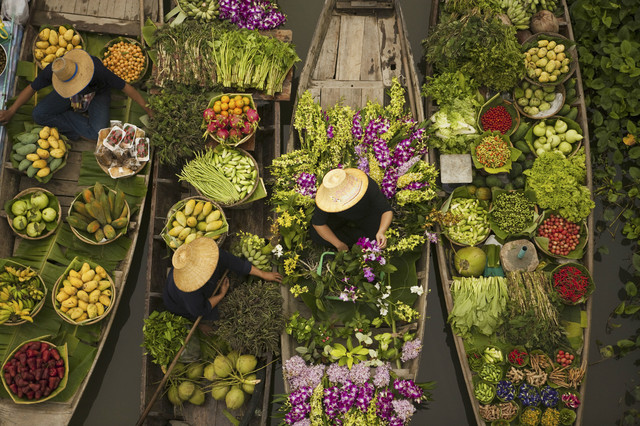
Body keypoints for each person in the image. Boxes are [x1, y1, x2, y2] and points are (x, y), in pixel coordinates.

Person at [0, 48, 153, 140]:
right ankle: (72, 119)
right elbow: (32, 88)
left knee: (96, 134)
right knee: (38, 115)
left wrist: (147, 109)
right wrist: (12, 111)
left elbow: (126, 88)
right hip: (66, 94)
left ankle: (75, 118)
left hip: (98, 92)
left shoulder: (97, 71)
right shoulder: (55, 70)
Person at [163, 237, 282, 322]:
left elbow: (233, 262)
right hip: (182, 305)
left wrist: (263, 274)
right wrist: (221, 294)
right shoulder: (188, 291)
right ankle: (201, 324)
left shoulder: (207, 253)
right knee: (220, 313)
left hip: (200, 293)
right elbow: (200, 309)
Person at [310, 167, 393, 251]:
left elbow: (386, 210)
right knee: (316, 235)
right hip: (338, 216)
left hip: (364, 212)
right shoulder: (326, 197)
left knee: (374, 236)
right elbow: (318, 224)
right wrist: (338, 244)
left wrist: (381, 232)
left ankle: (360, 239)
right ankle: (353, 237)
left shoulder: (366, 184)